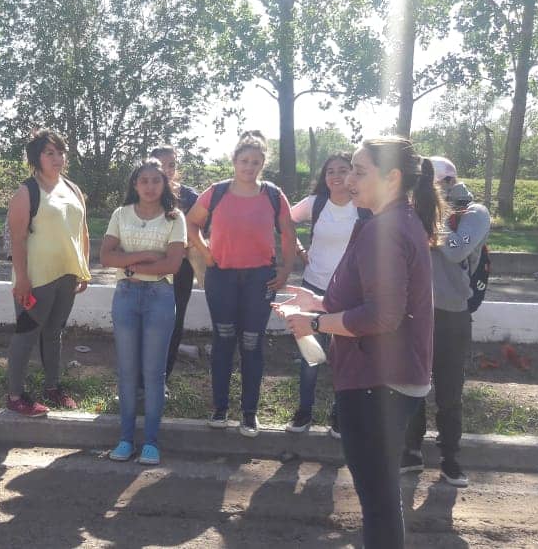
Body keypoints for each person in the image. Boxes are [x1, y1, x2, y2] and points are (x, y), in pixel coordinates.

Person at [276, 136, 440, 549]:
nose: (349, 179)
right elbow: (373, 301)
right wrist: (319, 303)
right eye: (349, 170)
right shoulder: (394, 222)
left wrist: (316, 320)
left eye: (360, 171)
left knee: (380, 503)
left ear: (393, 178)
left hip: (377, 382)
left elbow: (382, 316)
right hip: (384, 378)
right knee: (382, 499)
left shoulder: (385, 229)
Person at [185, 131, 297, 437]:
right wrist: (206, 252)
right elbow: (191, 223)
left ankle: (250, 413)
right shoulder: (216, 192)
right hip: (221, 277)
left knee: (251, 342)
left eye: (256, 162)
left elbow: (288, 232)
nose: (250, 167)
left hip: (260, 278)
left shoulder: (273, 195)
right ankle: (220, 408)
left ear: (263, 164)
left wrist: (286, 269)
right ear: (234, 161)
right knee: (223, 341)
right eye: (244, 161)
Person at [401, 156, 489, 488]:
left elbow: (454, 251)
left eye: (432, 184)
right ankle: (411, 451)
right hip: (414, 311)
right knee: (412, 384)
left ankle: (450, 459)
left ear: (449, 182)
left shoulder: (474, 213)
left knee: (450, 391)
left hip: (452, 315)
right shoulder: (412, 210)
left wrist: (425, 224)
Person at [101, 159, 186, 465]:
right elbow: (106, 256)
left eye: (156, 180)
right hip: (125, 296)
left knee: (153, 373)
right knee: (126, 372)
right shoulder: (120, 214)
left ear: (164, 184)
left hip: (159, 297)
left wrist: (131, 263)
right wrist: (148, 255)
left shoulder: (175, 218)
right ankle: (125, 439)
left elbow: (172, 264)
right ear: (135, 185)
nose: (150, 186)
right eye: (144, 180)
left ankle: (150, 441)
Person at [4, 129, 91, 417]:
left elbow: (82, 231)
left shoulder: (73, 189)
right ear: (36, 158)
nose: (57, 158)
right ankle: (15, 395)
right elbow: (17, 240)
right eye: (49, 153)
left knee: (54, 334)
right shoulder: (26, 192)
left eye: (61, 152)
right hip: (36, 279)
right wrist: (23, 278)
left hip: (67, 276)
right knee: (26, 335)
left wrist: (84, 269)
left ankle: (52, 387)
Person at [285, 152, 365, 437]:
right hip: (312, 289)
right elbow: (283, 220)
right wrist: (299, 251)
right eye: (330, 170)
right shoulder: (315, 204)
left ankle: (339, 415)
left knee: (343, 358)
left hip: (349, 294)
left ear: (353, 173)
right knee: (311, 355)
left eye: (343, 170)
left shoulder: (363, 207)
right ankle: (303, 413)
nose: (336, 176)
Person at [155, 145, 199, 392]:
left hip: (180, 272)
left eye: (171, 164)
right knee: (147, 324)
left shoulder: (190, 197)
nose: (167, 170)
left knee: (173, 322)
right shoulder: (143, 191)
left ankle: (163, 379)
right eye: (161, 164)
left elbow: (199, 233)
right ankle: (140, 379)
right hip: (148, 270)